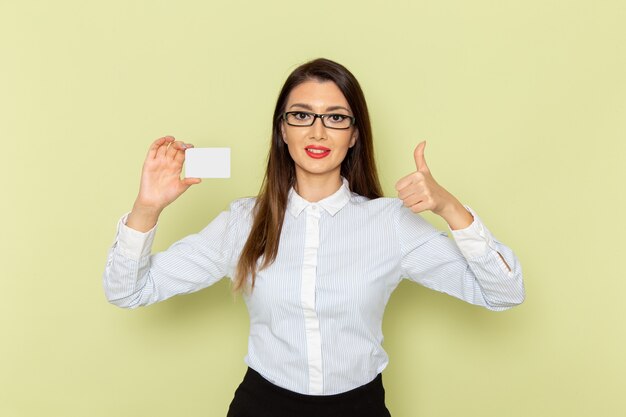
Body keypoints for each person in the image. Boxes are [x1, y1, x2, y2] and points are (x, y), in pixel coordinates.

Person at [103, 57, 525, 417]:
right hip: (262, 405)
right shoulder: (242, 222)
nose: (318, 132)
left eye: (336, 118)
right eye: (301, 115)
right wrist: (147, 208)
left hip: (360, 406)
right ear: (282, 131)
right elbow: (127, 291)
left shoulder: (391, 224)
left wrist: (450, 208)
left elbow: (504, 292)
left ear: (354, 134)